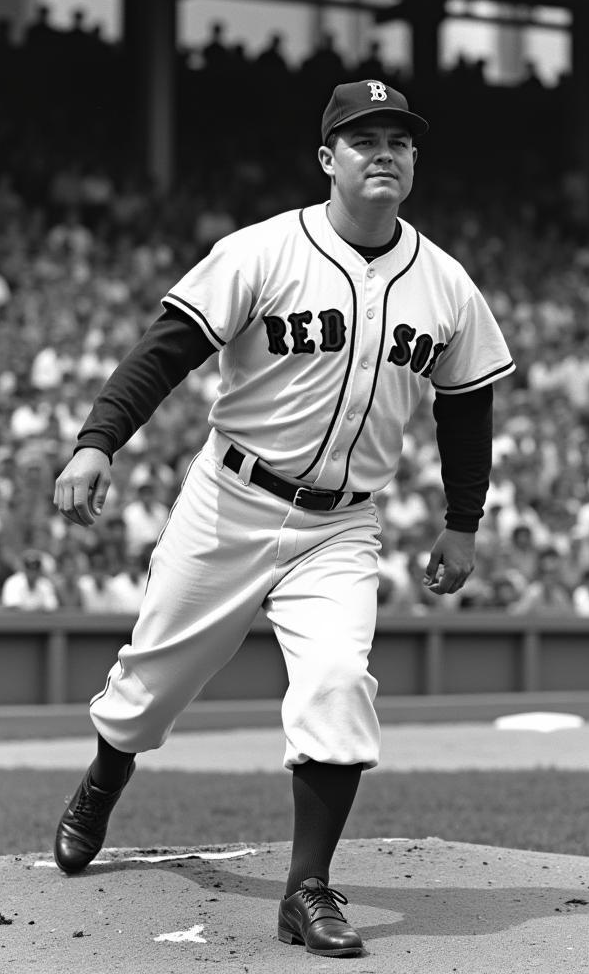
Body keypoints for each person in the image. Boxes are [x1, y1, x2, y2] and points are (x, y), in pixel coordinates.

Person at [49, 79, 515, 958]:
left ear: (415, 163)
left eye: (400, 141)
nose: (385, 152)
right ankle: (105, 778)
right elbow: (167, 351)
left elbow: (467, 405)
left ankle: (306, 889)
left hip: (341, 527)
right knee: (149, 688)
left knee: (339, 683)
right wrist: (96, 442)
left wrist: (464, 520)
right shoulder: (262, 251)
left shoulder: (446, 283)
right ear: (326, 160)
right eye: (364, 138)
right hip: (230, 501)